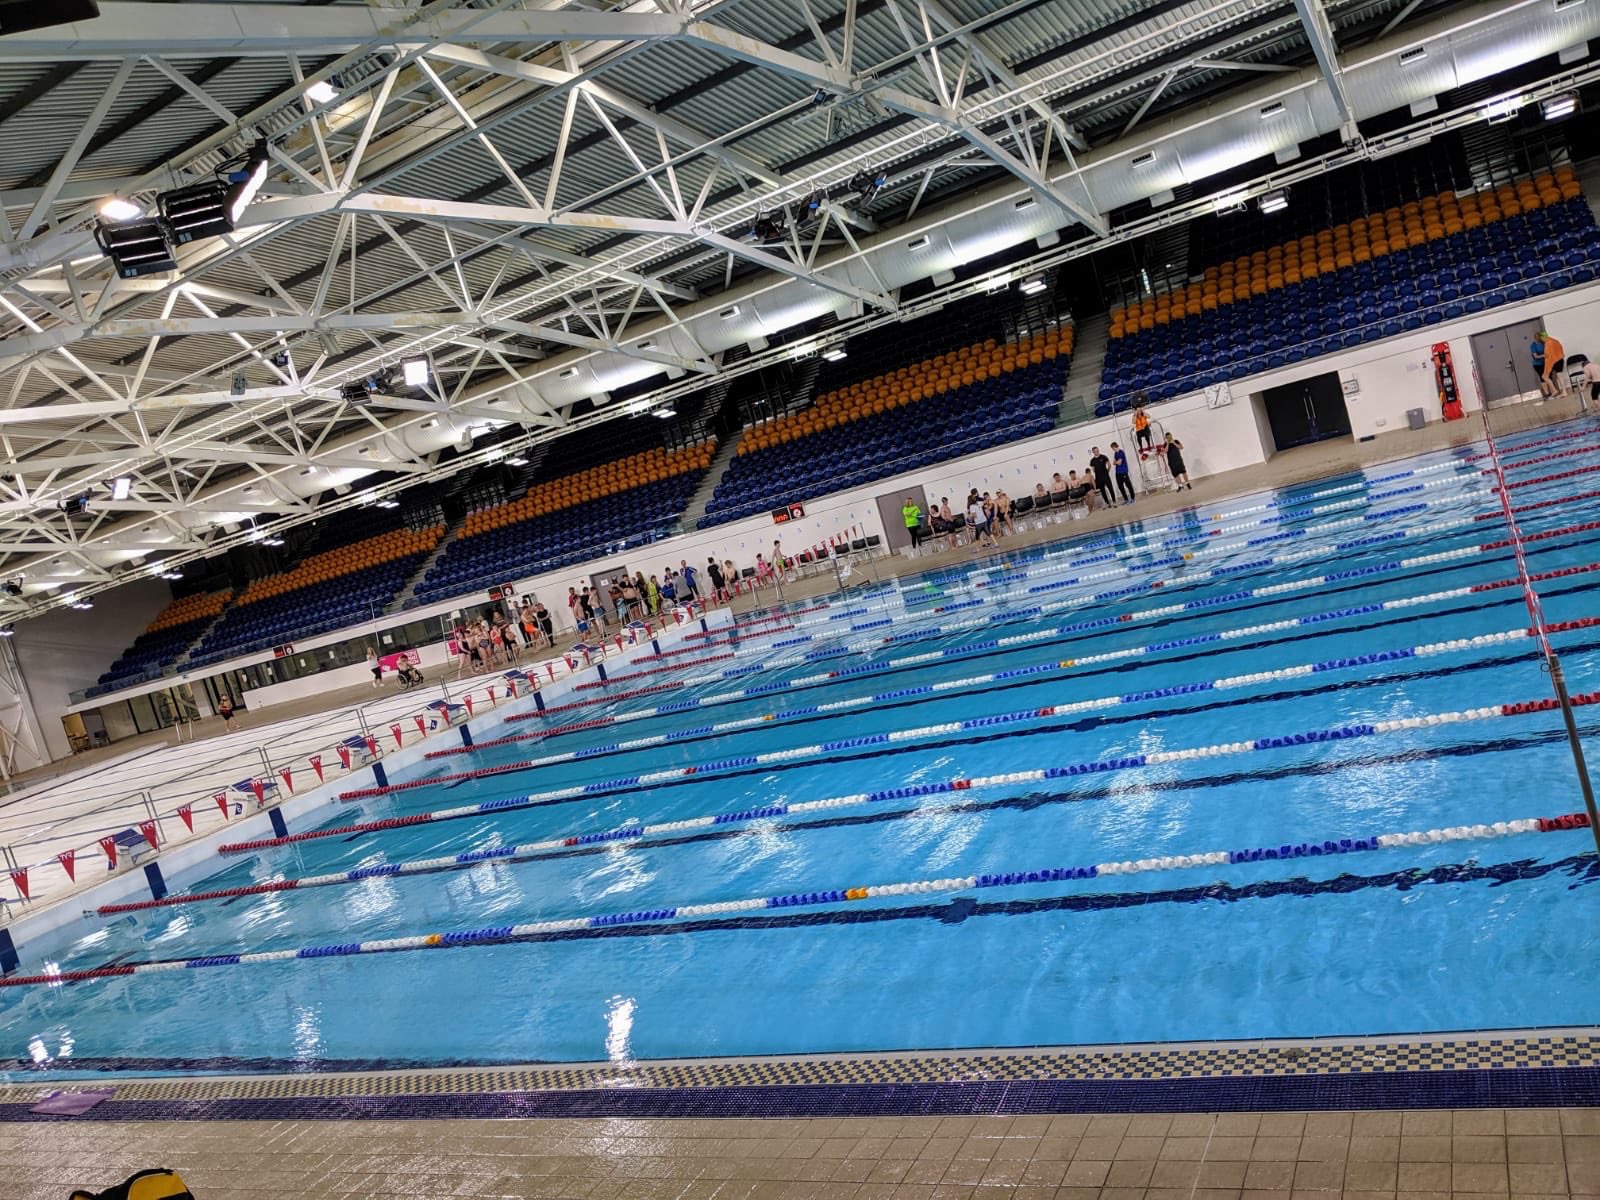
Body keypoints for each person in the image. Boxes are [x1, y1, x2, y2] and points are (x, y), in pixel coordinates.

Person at [1539, 331, 1569, 398]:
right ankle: (1561, 391)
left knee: (1545, 376)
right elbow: (1561, 349)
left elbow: (1548, 357)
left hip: (1554, 361)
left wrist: (1547, 369)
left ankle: (1556, 391)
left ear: (1543, 337)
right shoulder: (1555, 340)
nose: (1542, 341)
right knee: (1559, 376)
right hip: (1560, 359)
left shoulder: (1548, 344)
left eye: (1541, 339)